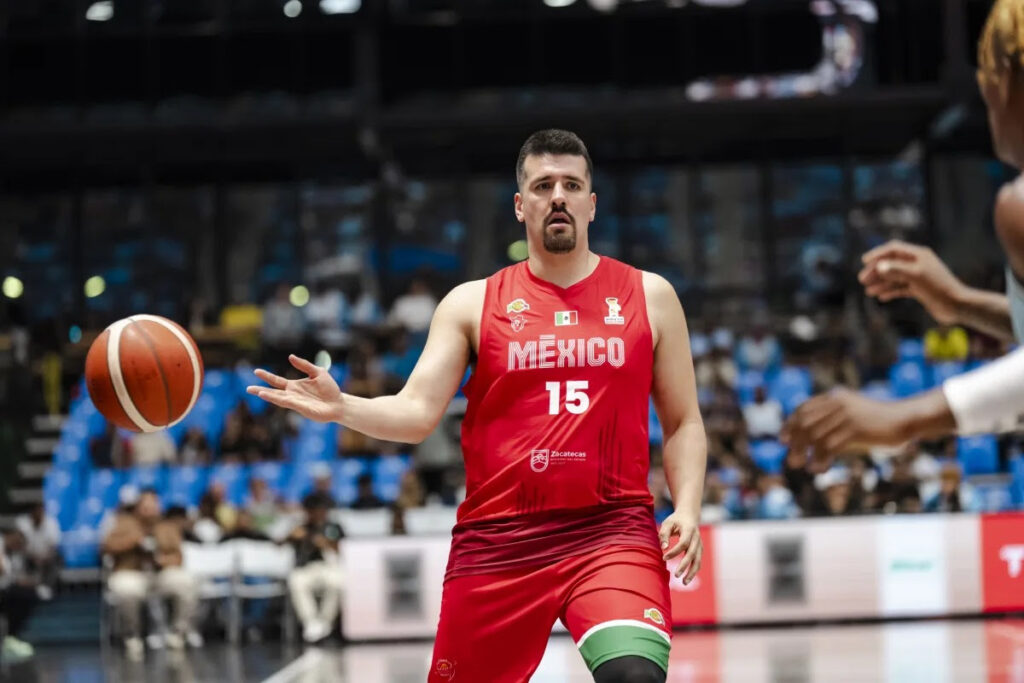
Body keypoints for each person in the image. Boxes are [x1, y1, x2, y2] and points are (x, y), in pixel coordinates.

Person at [248, 129, 707, 682]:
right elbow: (417, 413)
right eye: (542, 186)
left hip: (611, 531)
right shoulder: (471, 303)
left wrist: (687, 507)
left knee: (634, 676)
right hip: (499, 540)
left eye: (571, 185)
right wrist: (342, 406)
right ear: (520, 205)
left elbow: (683, 420)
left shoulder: (650, 296)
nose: (557, 197)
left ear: (591, 203)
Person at [783, 0, 1024, 458]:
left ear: (1006, 80)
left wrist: (904, 416)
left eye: (987, 68)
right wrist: (960, 302)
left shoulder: (1019, 205)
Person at [101, 489, 200, 659]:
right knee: (125, 588)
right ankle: (132, 635)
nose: (149, 510)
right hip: (131, 571)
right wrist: (133, 541)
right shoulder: (123, 523)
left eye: (153, 505)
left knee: (186, 582)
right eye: (145, 506)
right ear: (138, 507)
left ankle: (177, 634)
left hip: (160, 574)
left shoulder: (167, 526)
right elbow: (106, 547)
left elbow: (178, 557)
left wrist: (162, 560)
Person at [287, 492, 345, 644]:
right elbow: (279, 544)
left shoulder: (334, 527)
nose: (318, 514)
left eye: (321, 510)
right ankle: (311, 622)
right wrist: (291, 536)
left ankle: (325, 622)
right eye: (314, 511)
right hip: (306, 568)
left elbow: (344, 550)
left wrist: (325, 544)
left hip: (328, 567)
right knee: (296, 581)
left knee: (337, 581)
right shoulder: (301, 528)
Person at [0, 529, 38, 660]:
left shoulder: (12, 555)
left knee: (28, 595)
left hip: (5, 589)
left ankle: (10, 637)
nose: (18, 546)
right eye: (18, 542)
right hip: (4, 590)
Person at [14, 503, 61, 600]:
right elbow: (19, 544)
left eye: (41, 512)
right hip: (28, 556)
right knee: (19, 558)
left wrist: (44, 557)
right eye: (37, 512)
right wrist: (33, 557)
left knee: (56, 558)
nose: (39, 514)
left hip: (46, 557)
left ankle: (47, 587)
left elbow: (54, 547)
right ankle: (27, 587)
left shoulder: (52, 523)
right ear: (32, 513)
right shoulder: (22, 523)